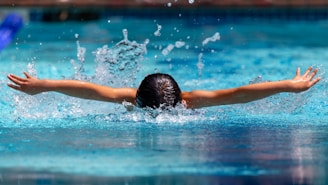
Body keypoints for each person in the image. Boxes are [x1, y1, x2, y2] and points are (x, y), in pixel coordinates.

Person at [7, 66, 320, 109]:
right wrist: (44, 85)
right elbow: (88, 89)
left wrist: (289, 86)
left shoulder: (191, 101)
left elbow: (239, 94)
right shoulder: (129, 98)